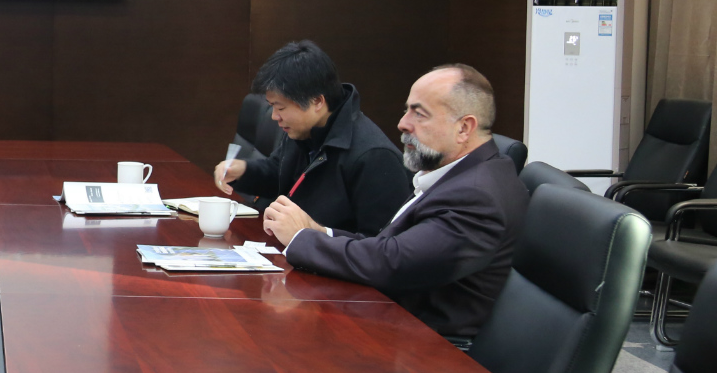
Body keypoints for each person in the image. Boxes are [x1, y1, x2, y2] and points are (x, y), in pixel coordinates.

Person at [265, 64, 530, 340]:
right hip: (395, 322)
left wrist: (301, 238)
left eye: (419, 113)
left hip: (426, 348)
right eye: (406, 110)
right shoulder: (458, 174)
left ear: (464, 128)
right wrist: (320, 232)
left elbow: (392, 263)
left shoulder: (478, 196)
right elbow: (390, 246)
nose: (403, 123)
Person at [214, 40, 411, 238]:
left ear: (317, 101)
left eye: (280, 107)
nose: (274, 116)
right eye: (271, 106)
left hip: (323, 256)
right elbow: (279, 172)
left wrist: (316, 233)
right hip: (291, 247)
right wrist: (243, 171)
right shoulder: (305, 129)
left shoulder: (375, 157)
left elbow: (382, 245)